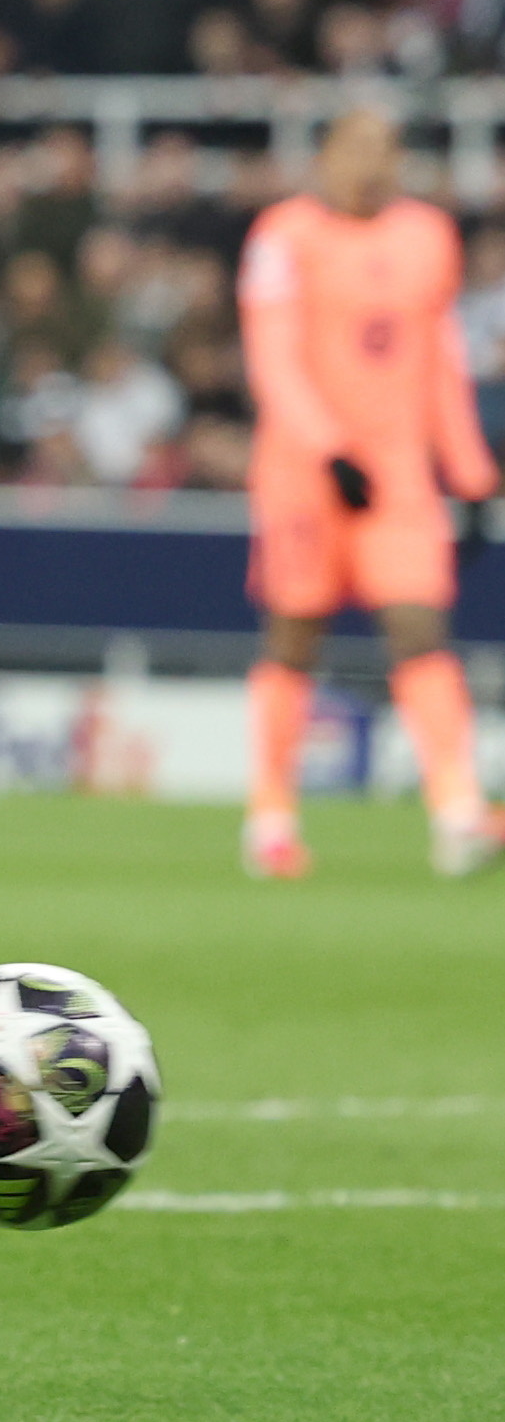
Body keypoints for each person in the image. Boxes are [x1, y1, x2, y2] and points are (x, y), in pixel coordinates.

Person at [237, 103, 502, 880]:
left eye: (385, 148)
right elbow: (272, 360)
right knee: (293, 636)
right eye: (355, 147)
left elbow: (438, 359)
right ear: (323, 157)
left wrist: (471, 470)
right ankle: (271, 816)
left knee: (419, 627)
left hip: (396, 473)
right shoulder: (283, 237)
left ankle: (456, 813)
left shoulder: (426, 236)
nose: (371, 164)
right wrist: (328, 450)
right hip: (302, 471)